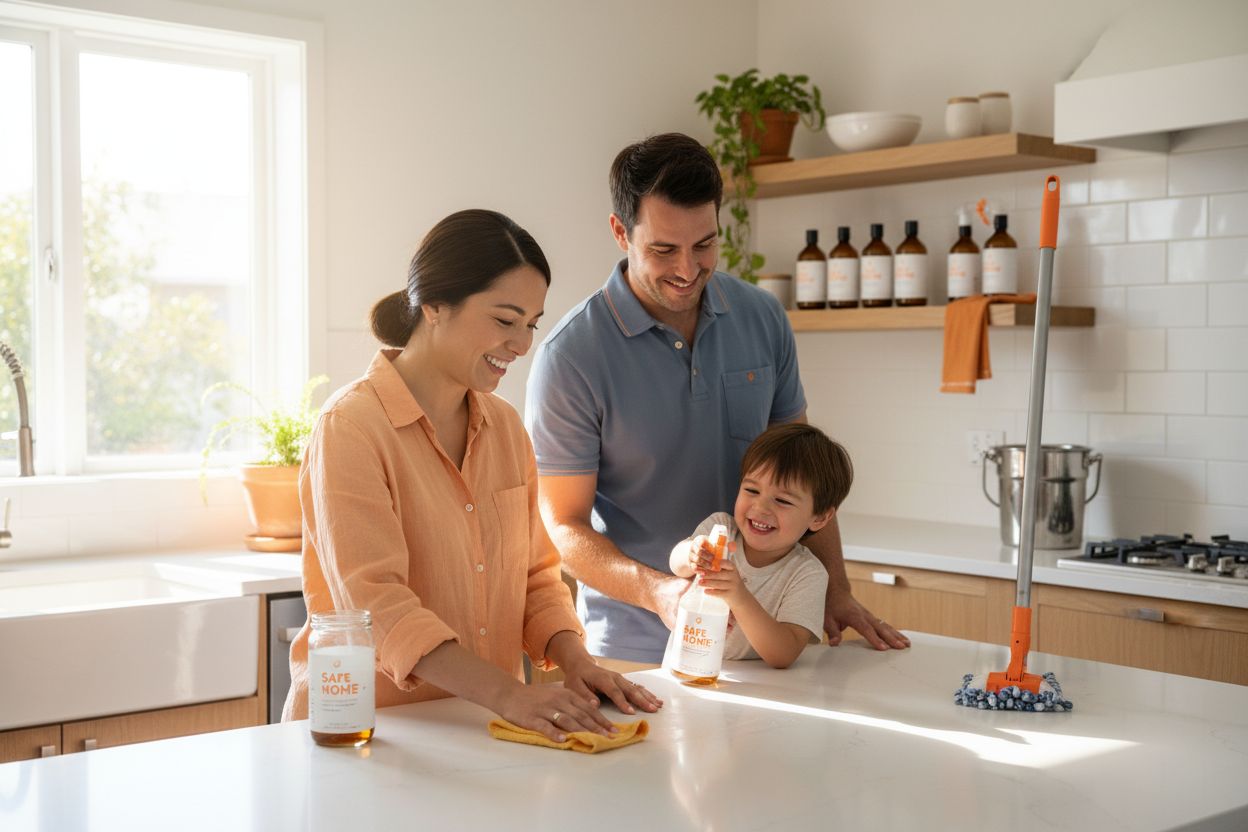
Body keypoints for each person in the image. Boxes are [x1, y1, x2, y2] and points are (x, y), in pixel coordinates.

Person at [525, 133, 909, 666]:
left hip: (763, 649)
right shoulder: (572, 357)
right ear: (620, 232)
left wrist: (836, 590)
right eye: (663, 249)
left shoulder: (762, 317)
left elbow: (803, 469)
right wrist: (658, 591)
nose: (687, 269)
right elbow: (564, 526)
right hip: (639, 650)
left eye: (704, 244)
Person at [283, 209, 660, 742]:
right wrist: (511, 694)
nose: (524, 343)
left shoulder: (505, 428)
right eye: (506, 320)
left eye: (532, 323)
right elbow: (378, 605)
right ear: (434, 305)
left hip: (487, 732)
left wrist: (577, 661)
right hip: (375, 735)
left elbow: (535, 577)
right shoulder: (350, 428)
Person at [667, 423, 852, 669]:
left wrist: (739, 597)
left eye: (782, 500)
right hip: (682, 671)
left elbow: (783, 654)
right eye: (752, 490)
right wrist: (690, 553)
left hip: (753, 689)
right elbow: (677, 566)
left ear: (819, 518)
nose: (760, 508)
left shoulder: (808, 574)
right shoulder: (720, 528)